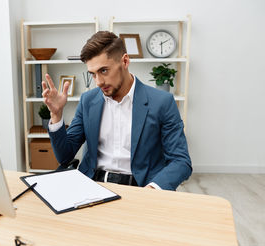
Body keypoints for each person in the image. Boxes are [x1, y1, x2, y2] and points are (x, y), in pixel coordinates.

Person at [42, 31, 192, 191]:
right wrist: (56, 115)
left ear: (125, 61)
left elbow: (181, 161)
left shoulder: (162, 102)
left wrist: (153, 189)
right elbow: (65, 157)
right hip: (94, 186)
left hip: (141, 188)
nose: (98, 82)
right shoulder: (88, 101)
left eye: (104, 71)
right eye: (93, 74)